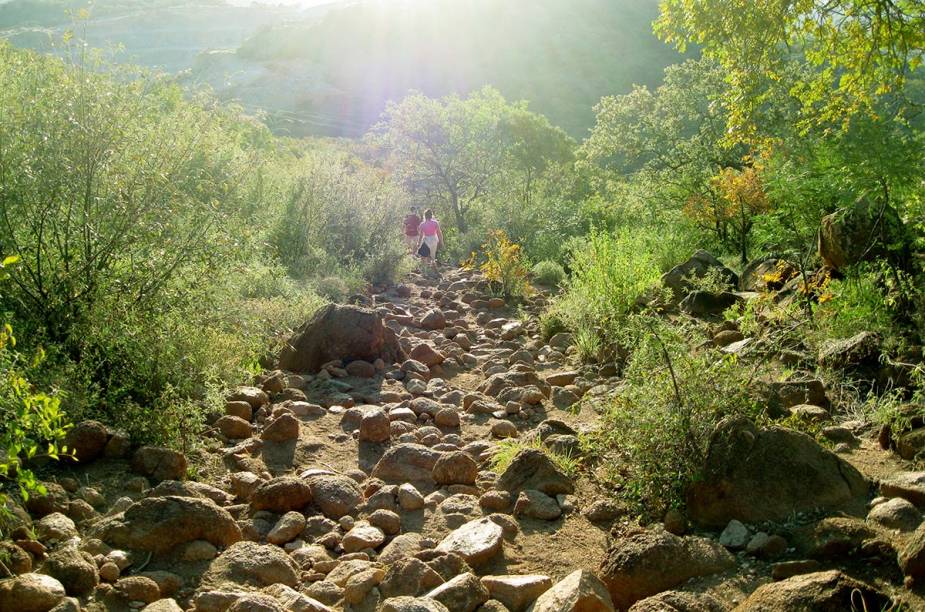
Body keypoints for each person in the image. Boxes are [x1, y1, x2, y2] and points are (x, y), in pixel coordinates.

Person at [417, 209, 443, 274]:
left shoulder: (422, 224)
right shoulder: (435, 223)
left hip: (427, 240)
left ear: (425, 216)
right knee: (432, 256)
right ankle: (434, 270)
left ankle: (425, 270)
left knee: (423, 256)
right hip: (434, 239)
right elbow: (439, 233)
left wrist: (419, 243)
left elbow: (421, 235)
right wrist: (441, 241)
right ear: (431, 215)